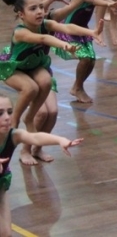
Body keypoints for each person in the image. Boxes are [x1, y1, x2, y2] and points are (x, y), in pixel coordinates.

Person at [0, 0, 100, 164]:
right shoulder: (22, 31)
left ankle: (37, 148)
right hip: (18, 68)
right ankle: (20, 133)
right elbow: (44, 40)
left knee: (51, 112)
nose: (40, 10)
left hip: (38, 67)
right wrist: (64, 45)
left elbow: (68, 23)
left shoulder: (49, 20)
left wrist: (91, 31)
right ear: (21, 13)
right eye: (35, 7)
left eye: (42, 5)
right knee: (36, 102)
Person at [0, 92, 83, 236]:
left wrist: (60, 140)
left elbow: (35, 137)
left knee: (6, 233)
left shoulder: (13, 135)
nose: (7, 117)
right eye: (0, 113)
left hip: (1, 185)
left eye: (9, 112)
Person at [54, 0, 117, 103]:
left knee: (91, 60)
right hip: (69, 31)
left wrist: (113, 3)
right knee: (84, 59)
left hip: (83, 32)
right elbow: (92, 0)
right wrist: (108, 5)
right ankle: (77, 88)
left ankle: (78, 87)